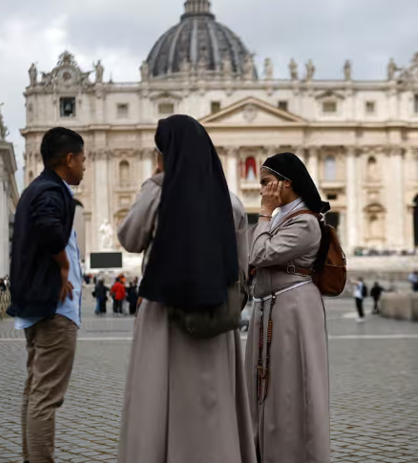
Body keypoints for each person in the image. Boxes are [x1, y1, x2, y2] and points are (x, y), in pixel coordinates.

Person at [116, 115, 255, 462]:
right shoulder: (232, 202)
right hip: (216, 316)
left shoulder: (159, 193)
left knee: (160, 399)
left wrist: (153, 182)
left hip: (164, 313)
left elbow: (129, 238)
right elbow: (242, 268)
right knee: (213, 402)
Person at [246, 152, 333, 462]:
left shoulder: (306, 222)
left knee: (292, 386)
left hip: (294, 309)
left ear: (286, 183)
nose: (262, 190)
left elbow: (259, 253)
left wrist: (265, 214)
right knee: (264, 384)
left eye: (267, 183)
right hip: (269, 307)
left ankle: (297, 452)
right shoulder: (283, 216)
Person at [7, 127, 86, 463]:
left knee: (35, 391)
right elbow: (49, 228)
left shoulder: (34, 189)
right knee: (47, 397)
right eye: (83, 160)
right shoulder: (53, 191)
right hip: (55, 308)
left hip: (37, 303)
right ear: (69, 159)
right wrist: (65, 265)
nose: (85, 167)